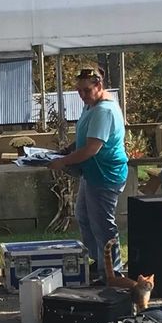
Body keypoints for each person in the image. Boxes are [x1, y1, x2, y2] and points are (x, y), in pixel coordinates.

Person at [48, 67, 128, 283]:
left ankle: (112, 271)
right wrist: (67, 150)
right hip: (91, 173)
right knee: (83, 216)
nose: (82, 95)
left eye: (86, 90)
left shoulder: (104, 111)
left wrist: (63, 162)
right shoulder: (90, 106)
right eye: (79, 91)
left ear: (99, 86)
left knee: (102, 224)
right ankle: (99, 261)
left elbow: (92, 148)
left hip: (105, 174)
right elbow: (85, 138)